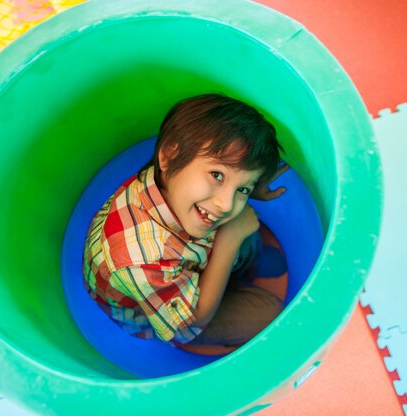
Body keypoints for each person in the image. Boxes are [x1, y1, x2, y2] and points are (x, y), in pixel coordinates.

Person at [83, 93, 288, 347]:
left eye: (242, 189)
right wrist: (230, 239)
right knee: (268, 313)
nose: (225, 204)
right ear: (169, 155)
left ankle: (242, 268)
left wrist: (246, 187)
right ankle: (237, 272)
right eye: (217, 174)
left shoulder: (173, 181)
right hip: (165, 310)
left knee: (242, 222)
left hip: (184, 259)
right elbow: (192, 321)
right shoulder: (137, 258)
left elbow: (226, 194)